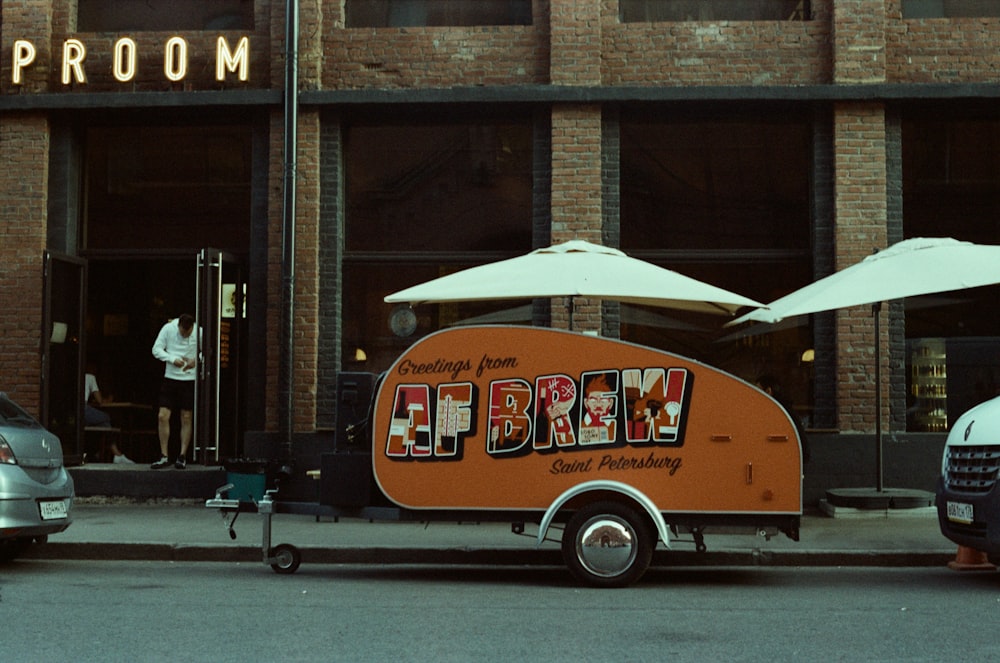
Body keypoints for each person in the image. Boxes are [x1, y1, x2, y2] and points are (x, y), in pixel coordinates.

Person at [150, 313, 197, 469]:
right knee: (162, 416)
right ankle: (164, 455)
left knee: (186, 416)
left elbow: (208, 352)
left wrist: (196, 360)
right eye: (183, 332)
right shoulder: (168, 329)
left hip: (189, 379)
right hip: (170, 377)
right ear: (178, 326)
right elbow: (156, 349)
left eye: (188, 332)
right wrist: (171, 359)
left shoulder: (200, 332)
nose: (185, 335)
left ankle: (182, 455)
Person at [84, 371, 135, 464]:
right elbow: (100, 401)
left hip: (73, 411)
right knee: (106, 417)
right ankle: (113, 455)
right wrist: (108, 400)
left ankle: (113, 454)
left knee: (103, 424)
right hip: (83, 409)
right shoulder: (90, 377)